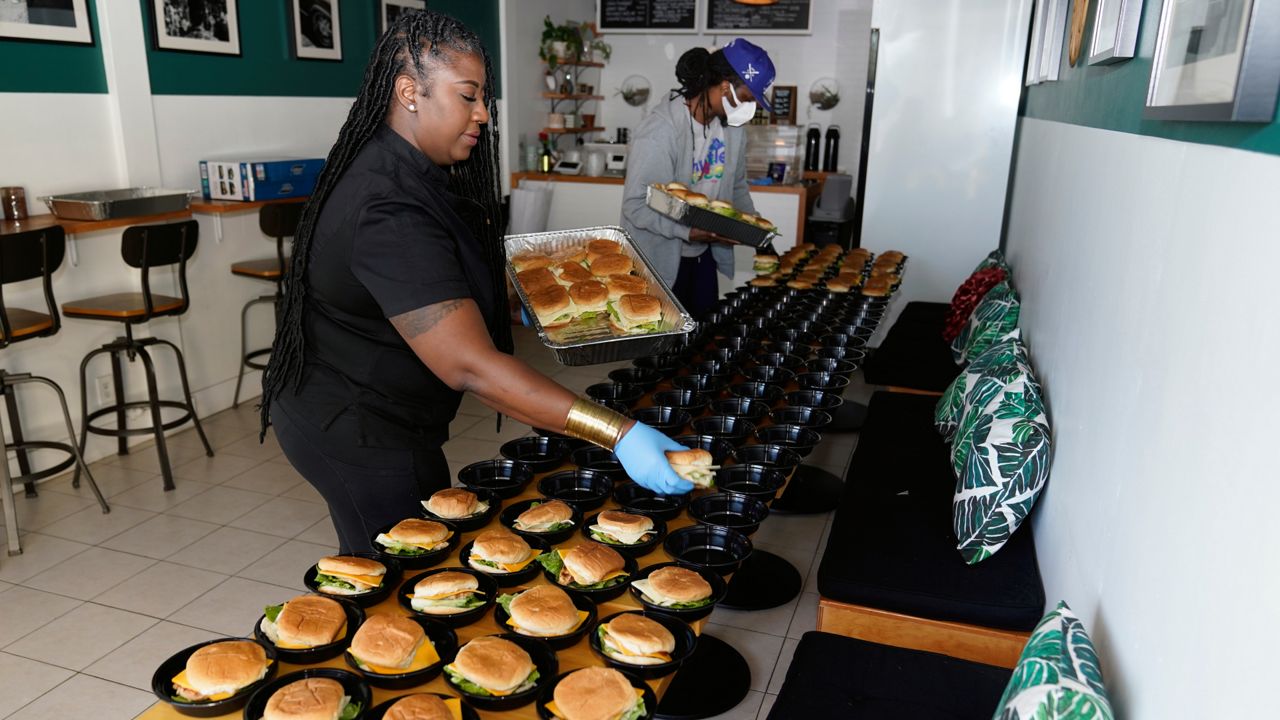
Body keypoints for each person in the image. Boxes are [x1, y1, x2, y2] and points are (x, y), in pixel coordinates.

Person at [260, 10, 691, 554]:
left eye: (484, 97)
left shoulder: (416, 174)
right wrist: (618, 434)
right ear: (409, 91)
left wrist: (515, 300)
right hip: (356, 424)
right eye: (469, 96)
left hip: (392, 411)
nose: (484, 114)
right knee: (406, 571)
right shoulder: (386, 205)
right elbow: (466, 363)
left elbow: (437, 281)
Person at [621, 39, 777, 317]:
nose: (750, 108)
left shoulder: (732, 130)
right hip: (661, 258)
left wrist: (759, 236)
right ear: (726, 86)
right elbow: (637, 204)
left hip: (704, 254)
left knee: (701, 338)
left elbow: (736, 187)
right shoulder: (661, 130)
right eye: (748, 98)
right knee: (663, 347)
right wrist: (687, 231)